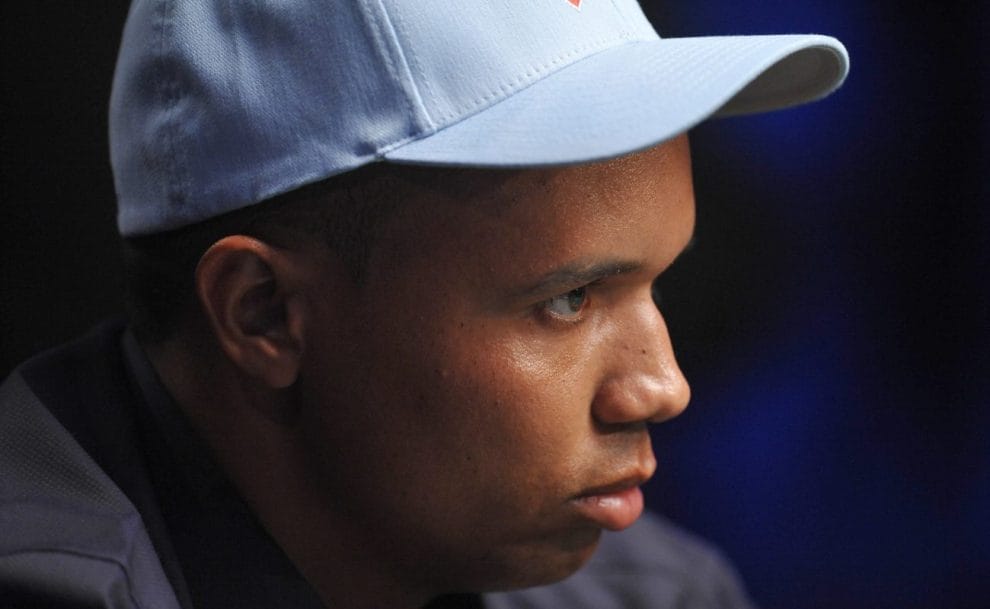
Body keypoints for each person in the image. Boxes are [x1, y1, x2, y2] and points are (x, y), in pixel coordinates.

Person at [0, 1, 848, 608]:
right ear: (263, 314)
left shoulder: (658, 592)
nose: (662, 385)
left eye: (657, 284)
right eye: (570, 298)